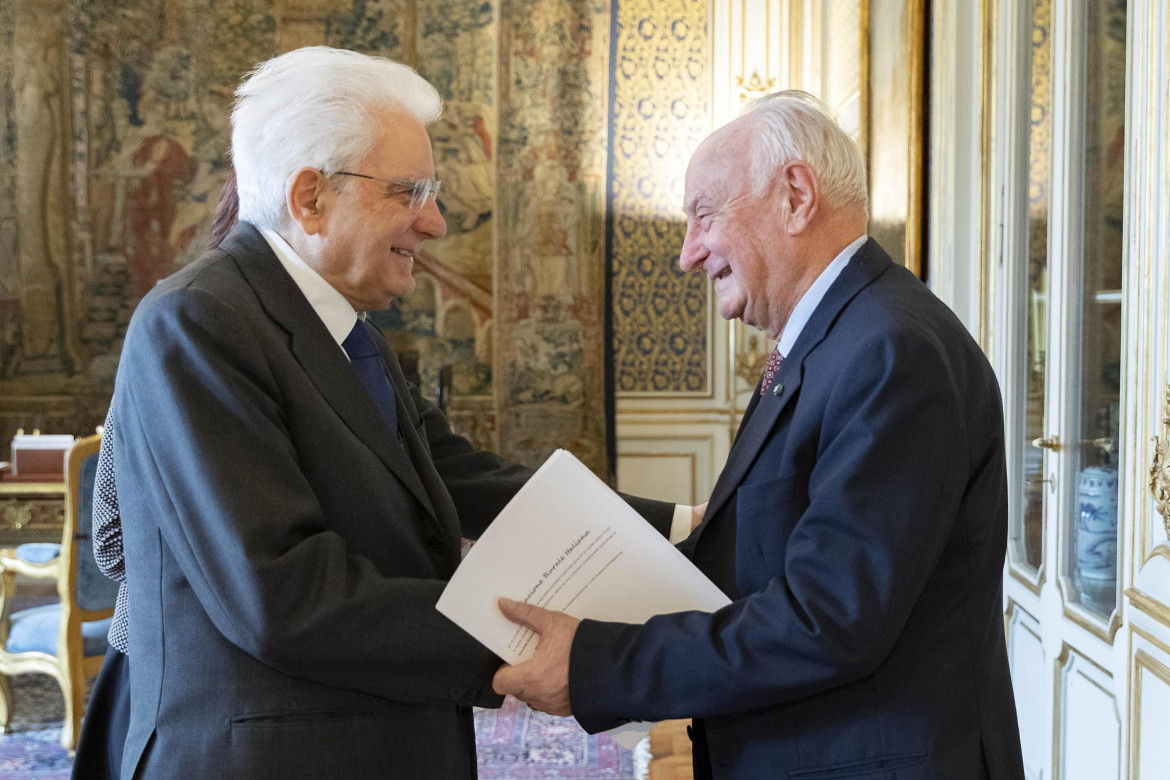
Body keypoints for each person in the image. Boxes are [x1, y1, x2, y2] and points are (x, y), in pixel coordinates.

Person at [92, 47, 676, 779]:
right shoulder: (199, 322)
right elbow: (283, 594)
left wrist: (685, 529)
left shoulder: (345, 330)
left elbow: (461, 477)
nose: (433, 224)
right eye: (409, 192)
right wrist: (533, 646)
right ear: (310, 198)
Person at [493, 90, 1026, 779]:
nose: (688, 255)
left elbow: (828, 618)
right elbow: (767, 558)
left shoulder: (890, 350)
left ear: (796, 196)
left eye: (703, 216)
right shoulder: (837, 339)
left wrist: (600, 665)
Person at [72, 173, 240, 779]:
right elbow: (115, 543)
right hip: (157, 670)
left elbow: (113, 544)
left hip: (175, 666)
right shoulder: (180, 327)